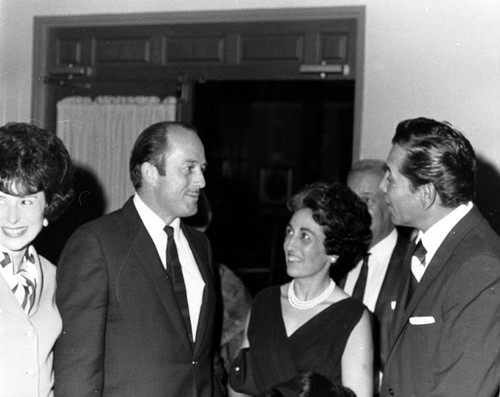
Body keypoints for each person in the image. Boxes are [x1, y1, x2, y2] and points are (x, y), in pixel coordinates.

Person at [54, 122, 223, 397]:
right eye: (188, 169)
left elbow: (201, 359)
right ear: (150, 173)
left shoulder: (201, 245)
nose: (202, 181)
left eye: (202, 169)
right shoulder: (96, 243)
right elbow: (76, 370)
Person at [379, 117, 500, 397]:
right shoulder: (422, 246)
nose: (382, 187)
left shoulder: (482, 267)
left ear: (425, 194)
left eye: (390, 178)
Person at [231, 181, 374, 397]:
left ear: (333, 251)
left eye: (305, 236)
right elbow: (239, 385)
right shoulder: (264, 301)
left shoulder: (352, 317)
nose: (290, 245)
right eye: (289, 232)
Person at [0, 122, 74, 397]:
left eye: (26, 201)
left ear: (48, 206)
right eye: (1, 199)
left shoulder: (54, 275)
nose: (12, 217)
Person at [342, 159, 410, 378]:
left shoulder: (414, 265)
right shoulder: (336, 262)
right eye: (350, 202)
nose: (354, 212)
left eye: (366, 200)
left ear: (389, 203)